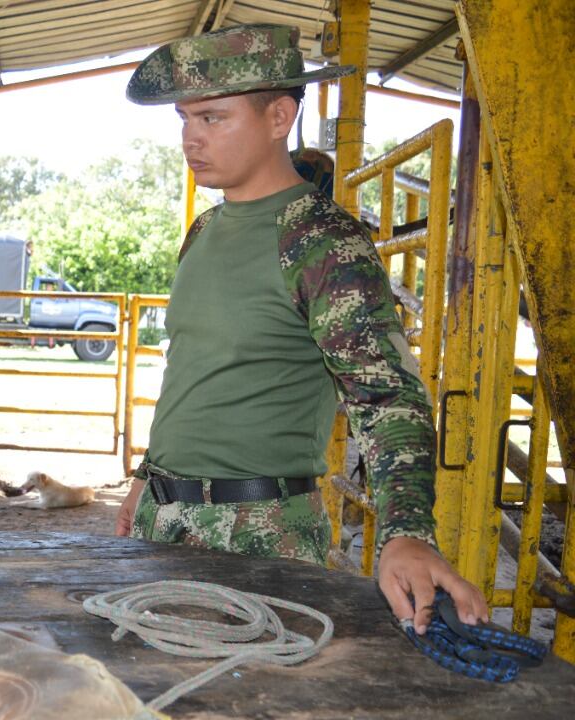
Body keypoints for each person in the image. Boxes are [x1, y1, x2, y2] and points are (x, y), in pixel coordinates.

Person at [113, 24, 488, 633]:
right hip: (167, 519)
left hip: (258, 534)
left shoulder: (321, 242)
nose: (190, 138)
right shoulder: (205, 231)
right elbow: (195, 370)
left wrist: (407, 533)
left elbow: (389, 400)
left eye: (212, 118)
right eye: (184, 119)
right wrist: (147, 480)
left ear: (279, 116)